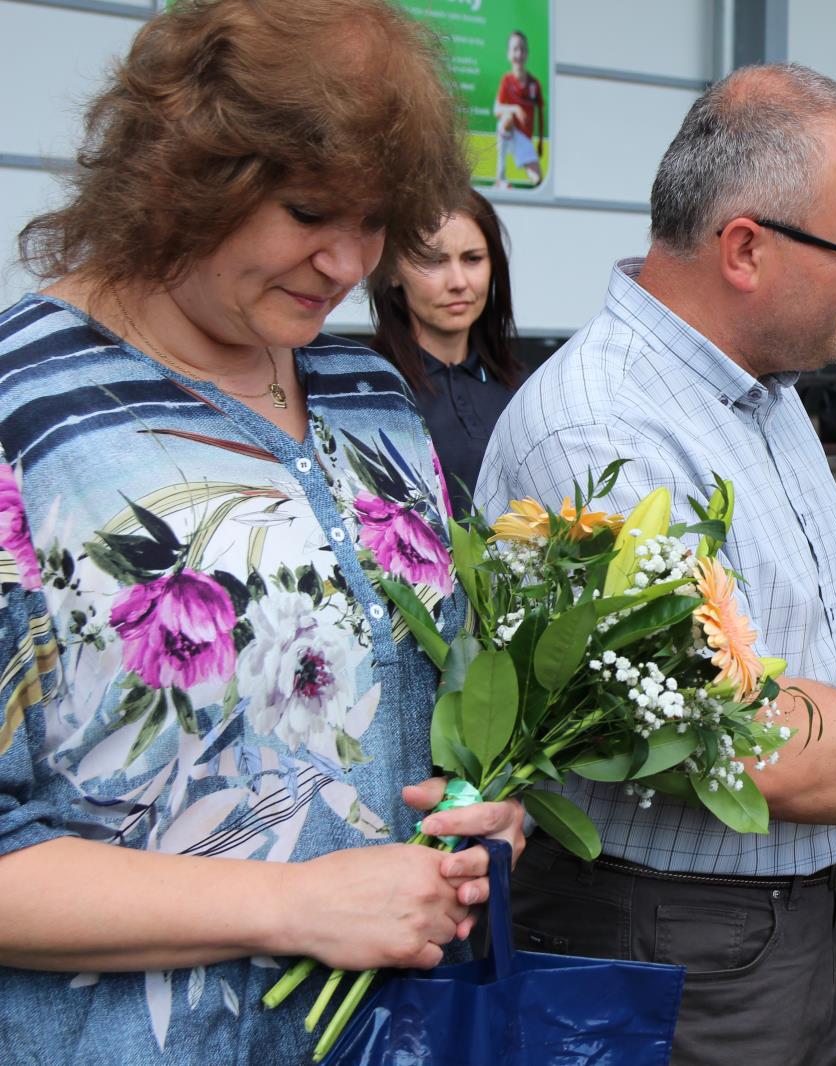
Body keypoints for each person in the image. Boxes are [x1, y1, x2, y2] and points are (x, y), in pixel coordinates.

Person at [476, 63, 836, 1066]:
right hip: (664, 947)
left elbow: (800, 655)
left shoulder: (764, 390)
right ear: (746, 248)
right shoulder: (600, 433)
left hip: (760, 922)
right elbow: (737, 733)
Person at [0, 2, 525, 1062]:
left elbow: (428, 696)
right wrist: (291, 905)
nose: (347, 263)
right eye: (308, 211)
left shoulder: (373, 393)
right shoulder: (29, 419)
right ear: (186, 171)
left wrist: (484, 814)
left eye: (376, 223)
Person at [369, 189, 523, 518]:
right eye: (434, 260)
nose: (458, 282)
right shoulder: (367, 393)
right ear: (393, 270)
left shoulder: (526, 389)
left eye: (473, 259)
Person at [494, 29, 545, 188]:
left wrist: (540, 143)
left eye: (522, 49)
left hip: (524, 139)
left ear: (527, 54)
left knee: (538, 180)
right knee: (506, 118)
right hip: (509, 133)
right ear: (509, 54)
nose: (518, 54)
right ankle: (500, 178)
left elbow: (540, 114)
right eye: (515, 49)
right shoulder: (506, 80)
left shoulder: (534, 84)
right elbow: (496, 110)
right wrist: (515, 109)